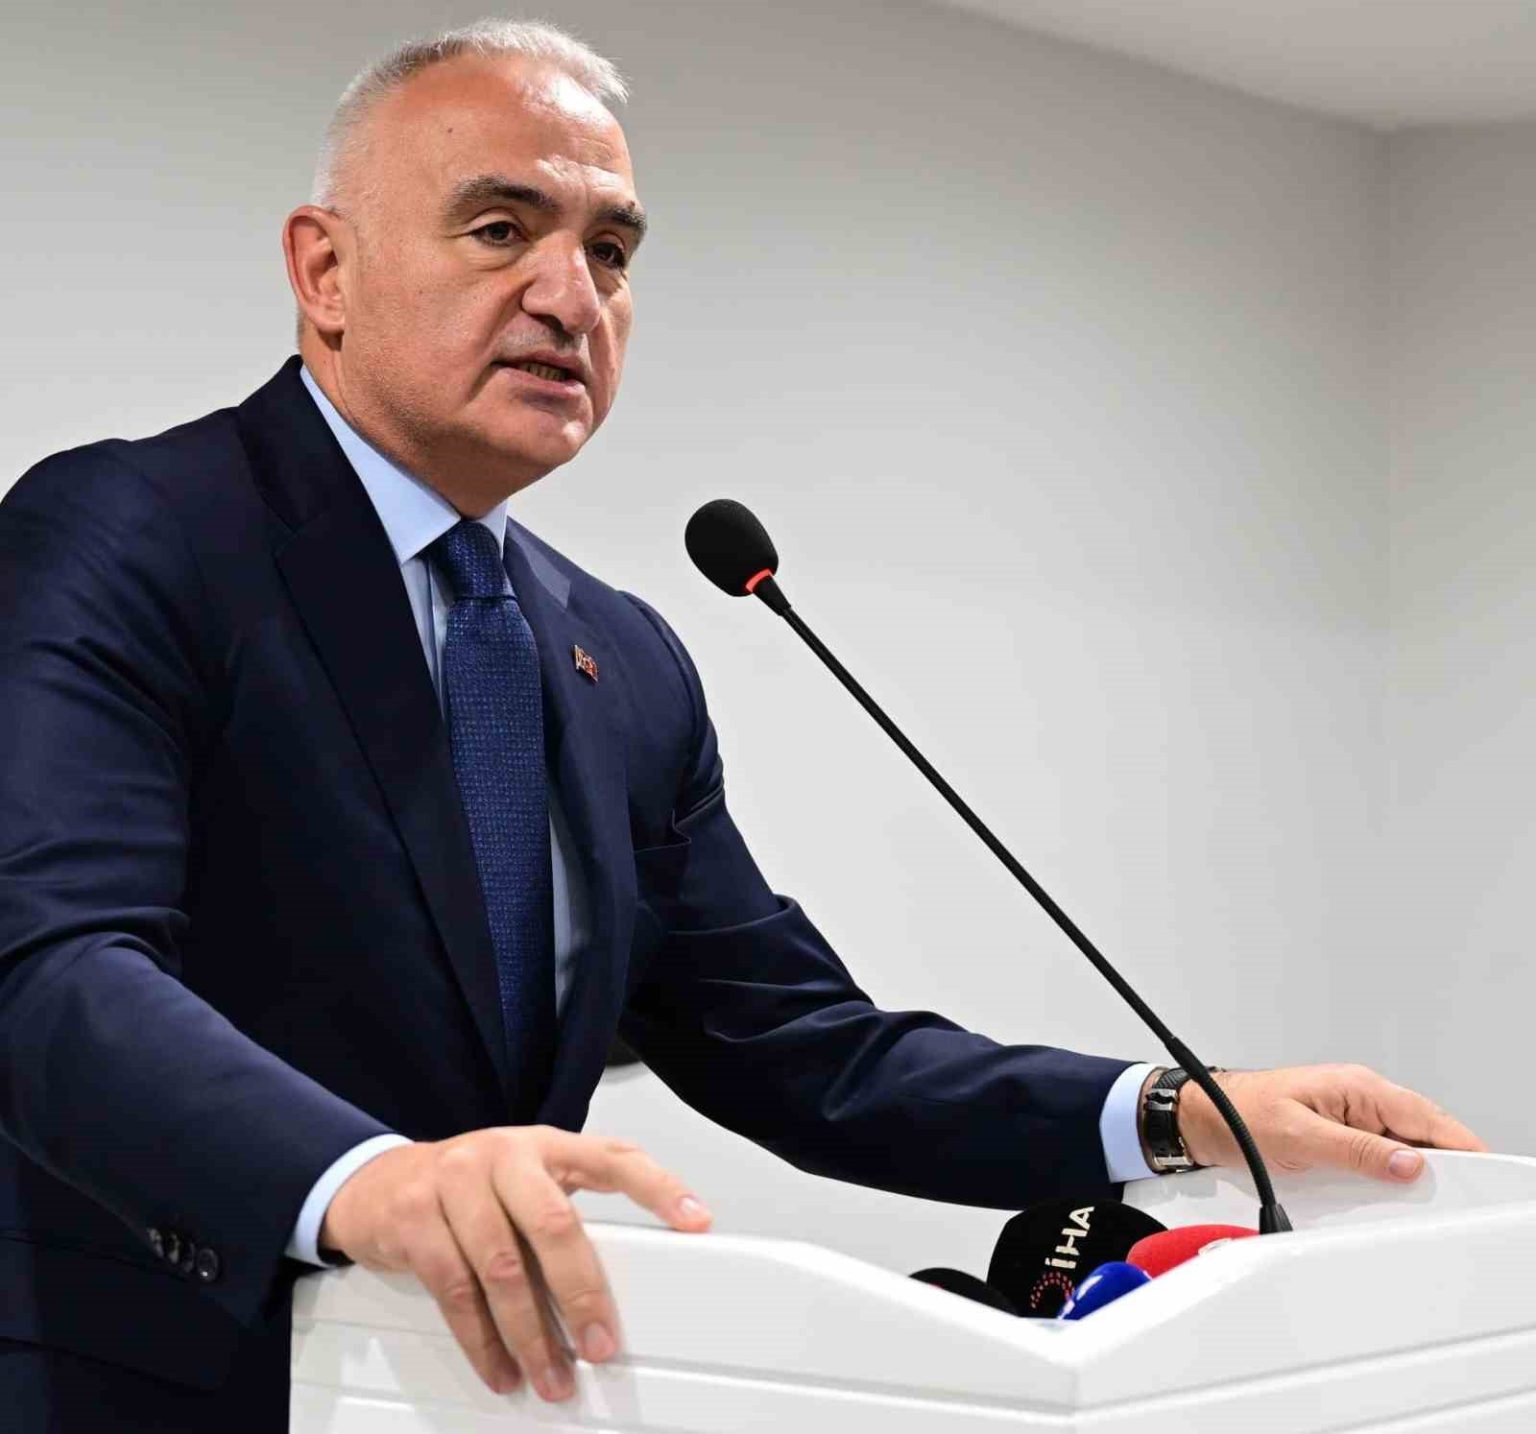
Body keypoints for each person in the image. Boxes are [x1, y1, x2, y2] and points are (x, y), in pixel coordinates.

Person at [0, 18, 1485, 1432]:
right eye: (501, 229)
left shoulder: (619, 656)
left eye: (612, 251)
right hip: (149, 1384)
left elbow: (798, 1047)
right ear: (325, 269)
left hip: (472, 1391)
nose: (571, 296)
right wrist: (362, 1177)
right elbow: (52, 969)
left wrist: (1180, 1112)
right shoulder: (132, 534)